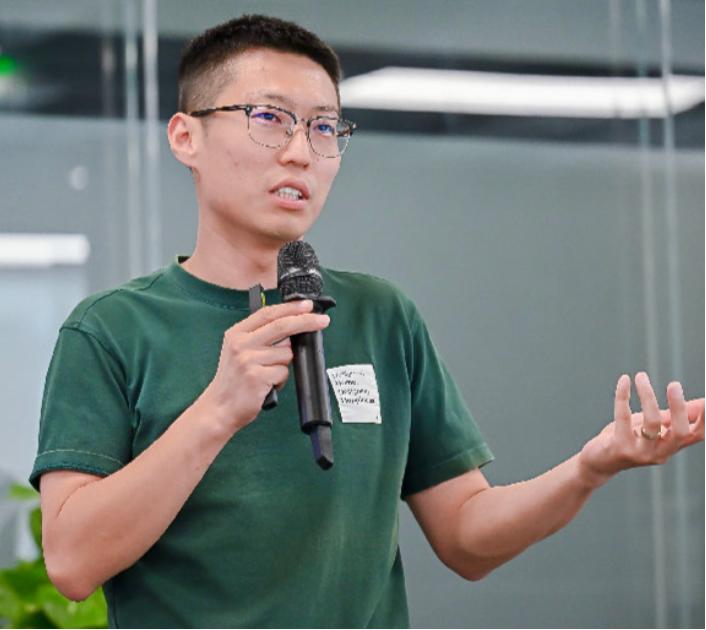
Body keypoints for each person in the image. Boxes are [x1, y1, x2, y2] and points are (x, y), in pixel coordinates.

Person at [30, 14, 704, 629]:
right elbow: (72, 563)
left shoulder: (382, 316)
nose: (301, 152)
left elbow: (468, 537)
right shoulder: (111, 329)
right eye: (269, 118)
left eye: (325, 128)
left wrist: (590, 467)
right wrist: (216, 411)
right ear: (187, 137)